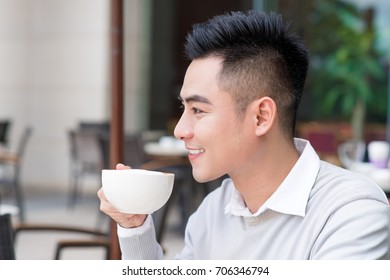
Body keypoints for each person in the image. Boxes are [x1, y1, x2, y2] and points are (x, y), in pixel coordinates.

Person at [98, 10, 390, 259]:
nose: (180, 130)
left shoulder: (351, 211)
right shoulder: (213, 212)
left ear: (261, 117)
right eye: (183, 107)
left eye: (198, 110)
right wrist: (135, 227)